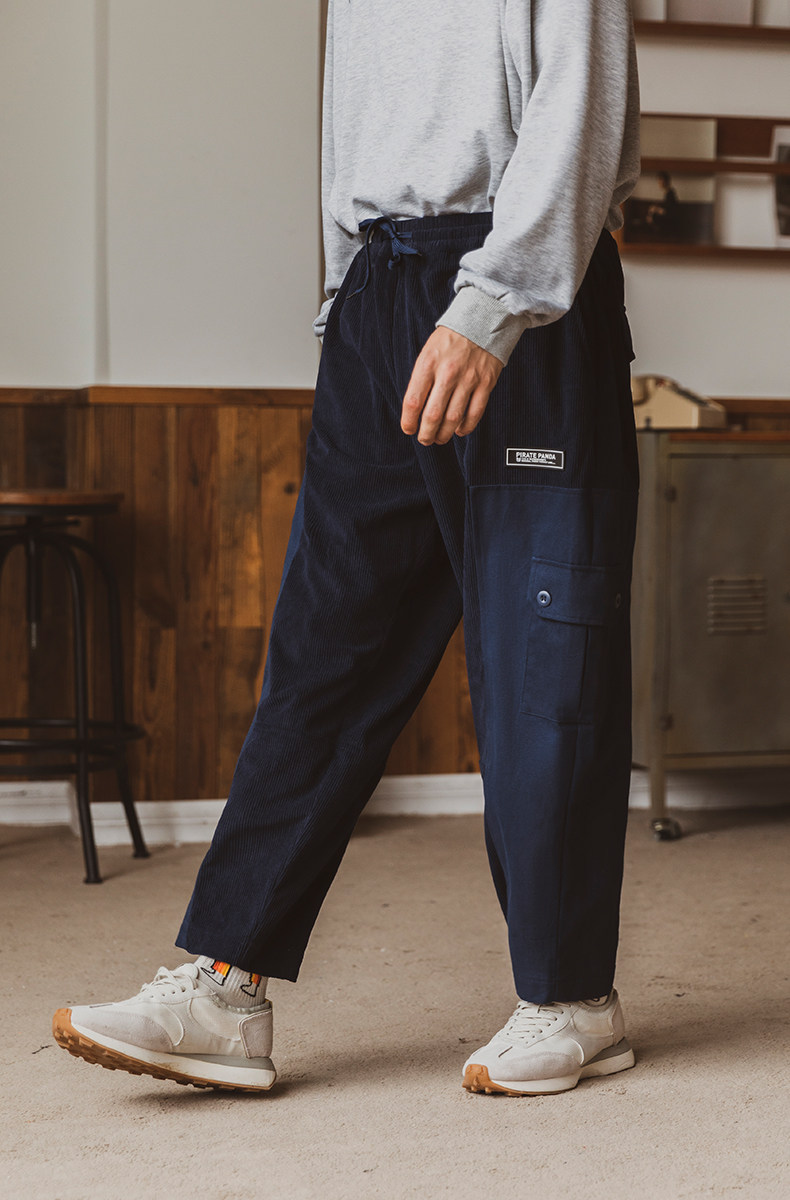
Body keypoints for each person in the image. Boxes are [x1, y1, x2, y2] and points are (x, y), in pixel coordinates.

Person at [53, 0, 642, 1098]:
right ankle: (225, 984)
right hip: (380, 293)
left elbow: (580, 110)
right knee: (325, 651)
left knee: (543, 659)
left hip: (518, 306)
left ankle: (573, 1000)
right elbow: (352, 127)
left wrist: (493, 305)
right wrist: (344, 302)